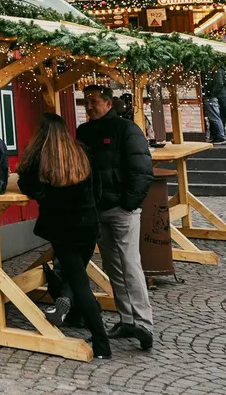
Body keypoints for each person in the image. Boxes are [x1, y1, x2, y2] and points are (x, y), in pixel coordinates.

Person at [18, 114, 111, 358]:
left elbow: (28, 186)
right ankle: (74, 315)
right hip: (88, 226)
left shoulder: (39, 158)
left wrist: (48, 199)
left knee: (80, 285)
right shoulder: (82, 152)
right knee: (77, 278)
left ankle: (101, 342)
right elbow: (98, 190)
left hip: (63, 228)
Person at [76, 85, 155, 350]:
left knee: (130, 264)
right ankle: (126, 319)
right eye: (86, 102)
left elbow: (142, 169)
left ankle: (143, 323)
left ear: (109, 104)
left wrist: (128, 204)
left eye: (94, 101)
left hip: (121, 210)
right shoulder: (83, 132)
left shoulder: (126, 130)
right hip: (97, 210)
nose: (89, 106)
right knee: (113, 266)